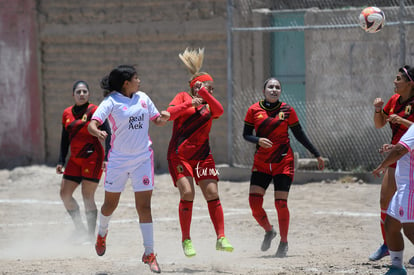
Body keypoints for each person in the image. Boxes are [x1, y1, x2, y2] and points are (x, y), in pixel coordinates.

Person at [88, 65, 169, 273]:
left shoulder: (142, 97)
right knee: (109, 205)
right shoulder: (111, 101)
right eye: (136, 78)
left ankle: (149, 253)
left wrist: (164, 117)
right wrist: (97, 131)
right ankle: (102, 233)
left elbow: (157, 120)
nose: (139, 81)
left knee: (144, 207)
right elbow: (93, 123)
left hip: (143, 158)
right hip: (118, 161)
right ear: (126, 83)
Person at [243, 77, 324, 257]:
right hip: (262, 163)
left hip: (283, 162)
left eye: (277, 87)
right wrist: (258, 140)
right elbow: (246, 134)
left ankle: (284, 242)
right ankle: (269, 231)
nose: (274, 90)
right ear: (264, 91)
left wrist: (316, 154)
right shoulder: (253, 110)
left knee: (280, 203)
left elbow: (300, 134)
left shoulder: (287, 110)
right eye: (270, 87)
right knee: (255, 205)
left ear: (280, 91)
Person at [166, 48, 233, 258]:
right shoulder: (182, 96)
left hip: (203, 156)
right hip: (180, 154)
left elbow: (220, 111)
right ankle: (186, 239)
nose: (210, 90)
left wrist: (205, 95)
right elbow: (168, 115)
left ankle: (221, 237)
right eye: (205, 86)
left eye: (211, 88)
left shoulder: (209, 103)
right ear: (194, 86)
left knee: (212, 193)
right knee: (187, 193)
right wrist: (189, 102)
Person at [56, 80, 111, 242]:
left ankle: (89, 236)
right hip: (74, 159)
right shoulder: (67, 113)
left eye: (84, 91)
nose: (81, 94)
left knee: (87, 196)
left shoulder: (95, 110)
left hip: (93, 158)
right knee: (65, 194)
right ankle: (79, 229)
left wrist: (107, 157)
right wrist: (61, 160)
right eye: (78, 92)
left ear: (88, 94)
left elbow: (108, 133)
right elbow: (64, 139)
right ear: (73, 94)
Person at [370, 65, 414, 261]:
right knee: (385, 201)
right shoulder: (395, 100)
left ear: (410, 83)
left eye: (398, 78)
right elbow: (380, 124)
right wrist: (378, 110)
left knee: (408, 210)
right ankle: (388, 245)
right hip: (398, 155)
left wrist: (402, 122)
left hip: (410, 157)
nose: (394, 82)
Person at [371, 125, 414, 275]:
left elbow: (400, 150)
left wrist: (383, 165)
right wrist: (394, 148)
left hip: (410, 188)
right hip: (404, 187)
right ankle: (397, 268)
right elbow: (402, 149)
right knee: (390, 225)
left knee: (410, 230)